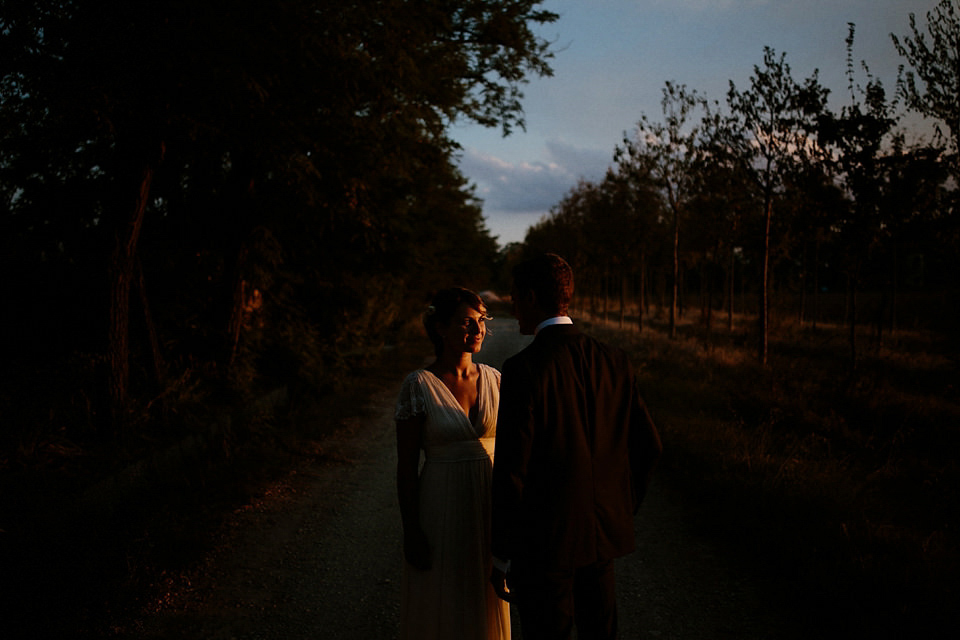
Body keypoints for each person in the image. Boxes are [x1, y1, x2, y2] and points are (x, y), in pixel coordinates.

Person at [490, 253, 663, 640]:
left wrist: (501, 552)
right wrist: (618, 507)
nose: (513, 307)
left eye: (515, 297)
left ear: (532, 297)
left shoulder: (524, 368)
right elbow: (649, 446)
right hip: (602, 539)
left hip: (544, 545)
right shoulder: (615, 360)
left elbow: (513, 469)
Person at [395, 287, 511, 640]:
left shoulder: (496, 380)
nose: (477, 330)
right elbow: (406, 468)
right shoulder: (418, 385)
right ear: (440, 327)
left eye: (481, 322)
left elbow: (512, 458)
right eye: (465, 322)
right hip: (439, 508)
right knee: (441, 600)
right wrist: (412, 531)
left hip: (488, 508)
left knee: (484, 599)